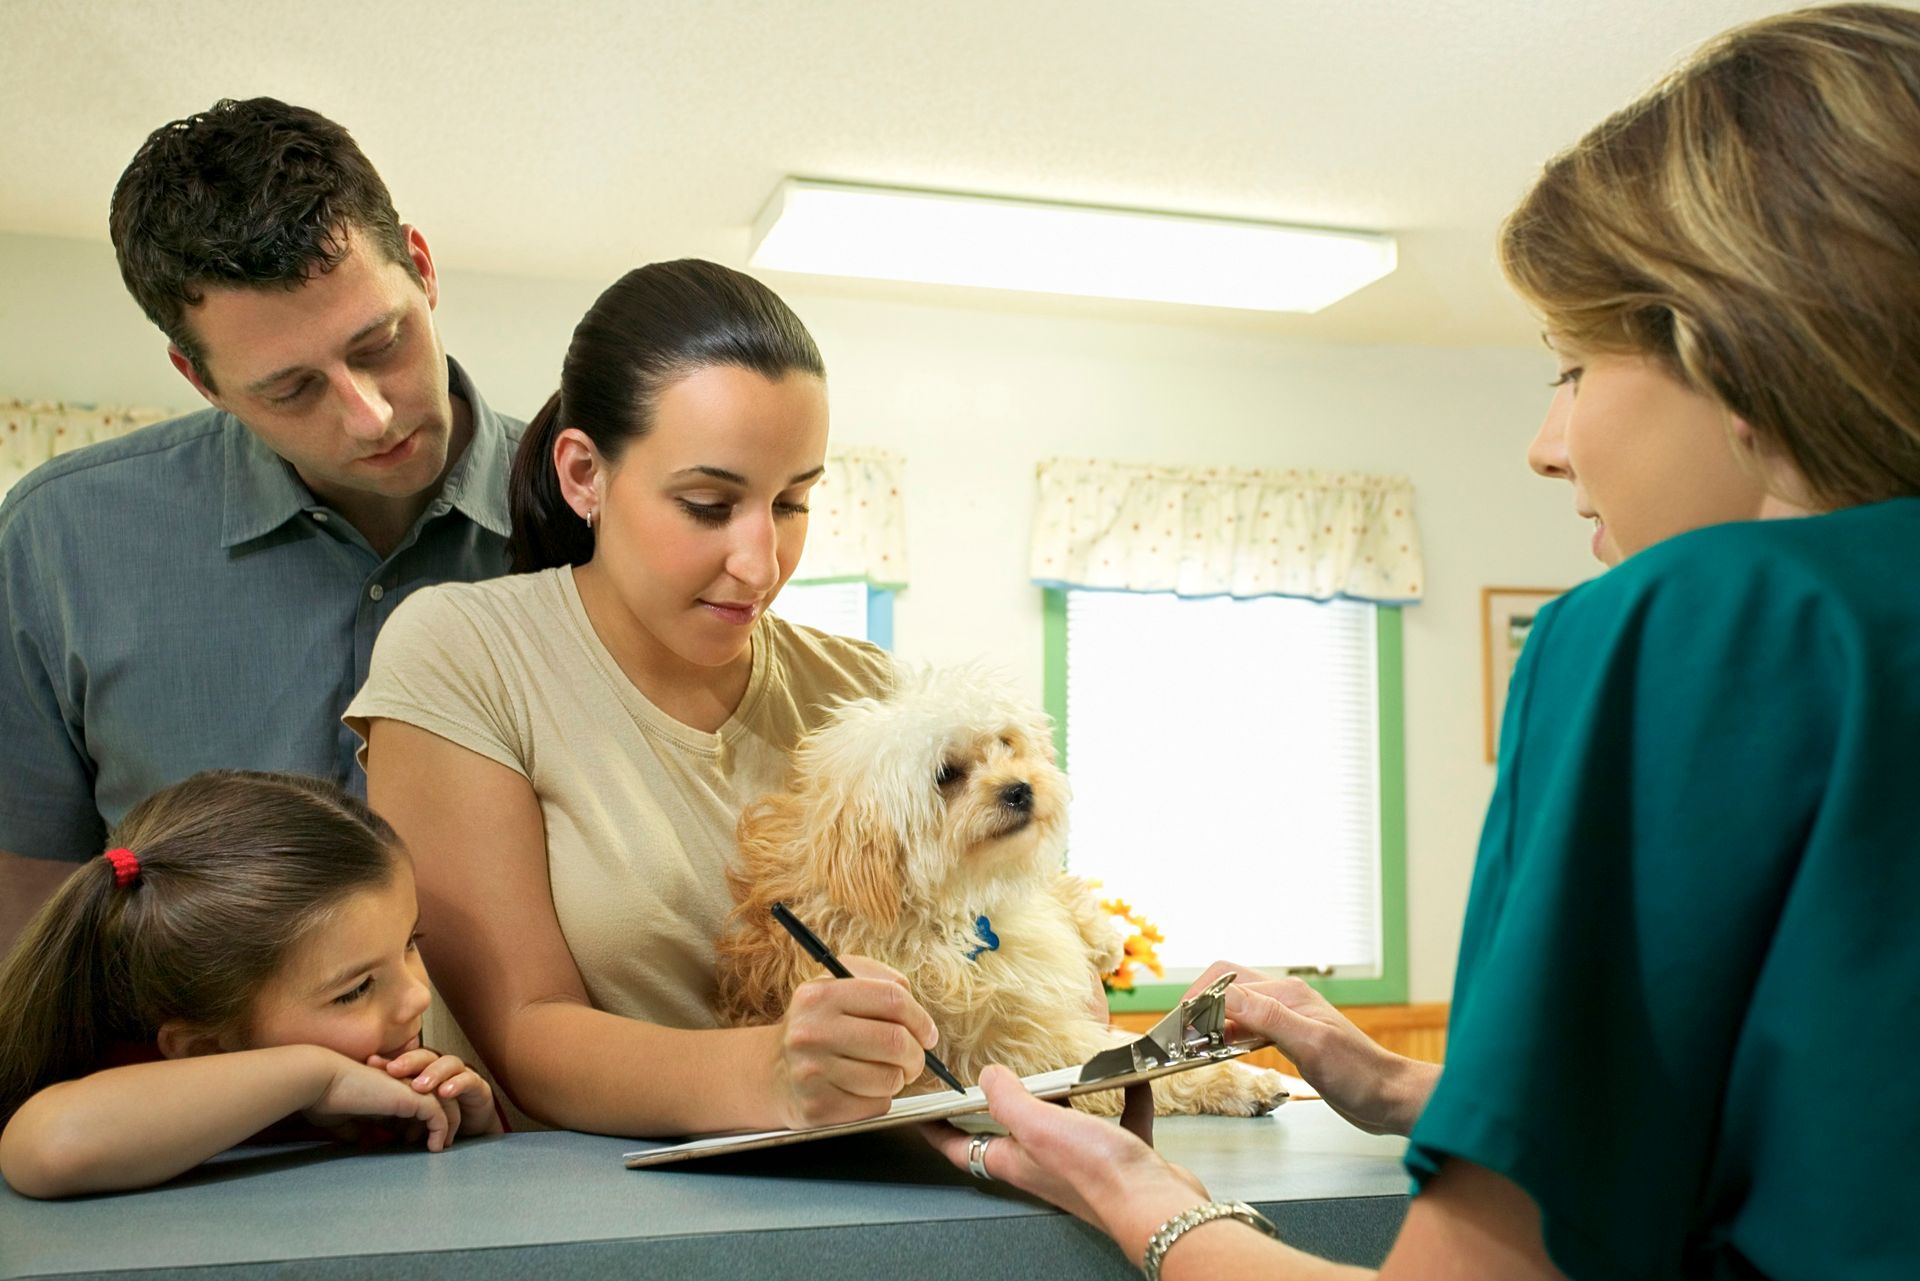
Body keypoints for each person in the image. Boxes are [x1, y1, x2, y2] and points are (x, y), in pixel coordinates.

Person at [929, 6, 1920, 1279]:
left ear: (1727, 346)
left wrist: (1139, 1198)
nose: (1547, 446)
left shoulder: (1689, 622)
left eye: (1572, 368)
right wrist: (1418, 1089)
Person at [345, 259, 940, 1137]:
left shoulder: (868, 692)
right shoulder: (464, 652)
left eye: (792, 502)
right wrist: (773, 1074)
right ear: (584, 473)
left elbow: (978, 935)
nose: (761, 565)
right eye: (708, 504)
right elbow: (525, 1030)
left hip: (888, 1181)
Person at [0, 98, 524, 952]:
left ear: (423, 268)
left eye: (381, 342)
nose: (370, 416)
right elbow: (31, 921)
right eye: (292, 389)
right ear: (199, 379)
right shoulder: (57, 541)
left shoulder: (604, 510)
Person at [0, 770, 501, 1200]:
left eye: (409, 942)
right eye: (356, 989)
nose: (418, 995)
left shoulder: (387, 1084)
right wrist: (316, 1075)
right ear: (206, 1048)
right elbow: (48, 1147)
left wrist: (475, 1139)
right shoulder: (129, 1085)